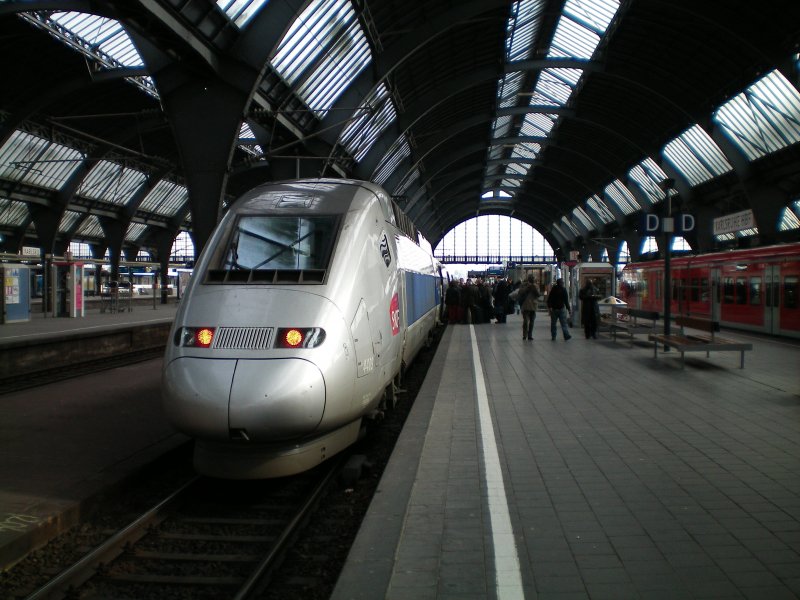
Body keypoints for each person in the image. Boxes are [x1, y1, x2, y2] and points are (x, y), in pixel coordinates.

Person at [517, 274, 540, 340]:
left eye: (533, 278)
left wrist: (534, 288)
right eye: (531, 278)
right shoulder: (524, 285)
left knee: (532, 321)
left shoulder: (536, 286)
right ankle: (525, 335)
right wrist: (527, 288)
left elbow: (538, 294)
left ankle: (530, 335)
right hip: (525, 305)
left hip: (533, 305)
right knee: (526, 322)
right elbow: (520, 292)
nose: (532, 279)